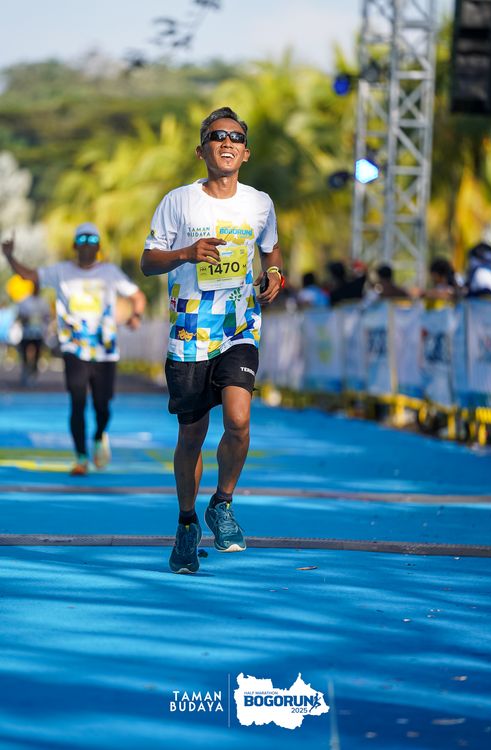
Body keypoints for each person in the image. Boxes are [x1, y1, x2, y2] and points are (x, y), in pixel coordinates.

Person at [141, 106, 282, 574]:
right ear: (201, 150)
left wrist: (275, 273)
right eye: (217, 136)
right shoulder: (179, 202)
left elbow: (271, 249)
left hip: (239, 326)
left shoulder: (259, 203)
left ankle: (222, 504)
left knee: (239, 420)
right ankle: (186, 523)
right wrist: (185, 253)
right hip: (190, 331)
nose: (227, 143)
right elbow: (147, 261)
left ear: (246, 153)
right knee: (192, 436)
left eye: (236, 138)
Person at [2, 223, 146, 475]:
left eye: (92, 241)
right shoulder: (61, 271)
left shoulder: (110, 272)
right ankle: (81, 457)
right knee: (77, 402)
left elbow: (137, 296)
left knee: (102, 405)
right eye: (82, 240)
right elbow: (29, 276)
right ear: (74, 246)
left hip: (104, 350)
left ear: (98, 247)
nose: (87, 245)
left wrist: (136, 315)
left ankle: (99, 435)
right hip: (74, 349)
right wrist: (9, 256)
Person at [17, 281, 51, 386]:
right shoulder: (25, 301)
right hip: (27, 332)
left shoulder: (43, 302)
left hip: (38, 333)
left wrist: (45, 328)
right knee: (24, 354)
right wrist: (27, 319)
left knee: (37, 355)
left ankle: (33, 375)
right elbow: (20, 315)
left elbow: (47, 317)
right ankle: (25, 373)